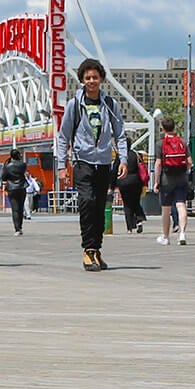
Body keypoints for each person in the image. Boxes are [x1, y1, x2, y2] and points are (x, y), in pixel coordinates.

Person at [57, 58, 126, 272]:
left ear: (101, 79)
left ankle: (96, 248)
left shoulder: (111, 105)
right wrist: (61, 165)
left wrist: (123, 159)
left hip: (104, 162)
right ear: (82, 80)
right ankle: (88, 249)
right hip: (82, 161)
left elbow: (120, 135)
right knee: (86, 202)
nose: (91, 81)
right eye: (87, 77)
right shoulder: (74, 105)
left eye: (95, 77)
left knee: (98, 207)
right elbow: (63, 136)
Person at [155, 119, 193, 245]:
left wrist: (156, 181)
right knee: (181, 205)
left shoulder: (160, 144)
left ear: (163, 128)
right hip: (181, 178)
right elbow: (190, 162)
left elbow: (158, 164)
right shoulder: (182, 142)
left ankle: (166, 237)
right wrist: (184, 171)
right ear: (174, 127)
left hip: (166, 179)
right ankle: (182, 234)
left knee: (166, 209)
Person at [116, 141, 148, 235]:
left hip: (124, 182)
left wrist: (112, 185)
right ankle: (139, 219)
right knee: (136, 202)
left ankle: (129, 227)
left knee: (127, 205)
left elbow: (115, 170)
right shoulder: (136, 154)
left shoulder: (121, 156)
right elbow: (141, 168)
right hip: (136, 182)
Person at [1, 150, 31, 236]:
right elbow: (24, 171)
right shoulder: (23, 165)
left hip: (11, 188)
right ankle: (20, 227)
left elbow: (4, 177)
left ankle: (17, 228)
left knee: (15, 209)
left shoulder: (7, 166)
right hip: (22, 187)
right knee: (21, 208)